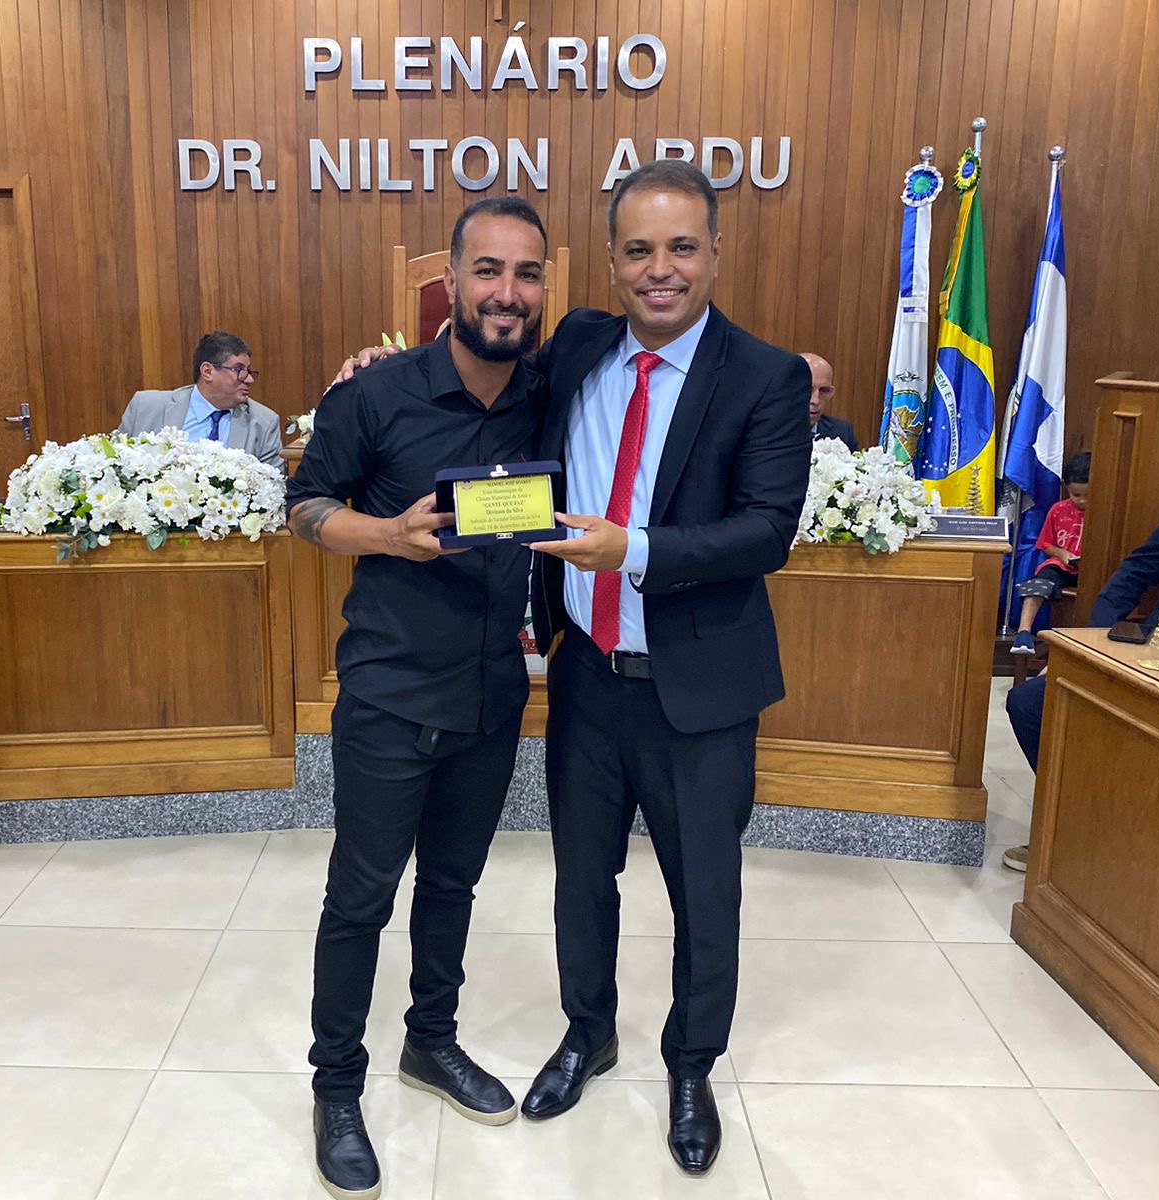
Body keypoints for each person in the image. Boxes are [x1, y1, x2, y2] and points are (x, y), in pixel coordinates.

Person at [520, 160, 811, 1176]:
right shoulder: (580, 346)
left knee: (704, 893)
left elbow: (766, 530)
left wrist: (631, 549)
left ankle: (690, 1065)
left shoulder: (765, 377)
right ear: (609, 261)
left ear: (715, 253)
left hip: (700, 692)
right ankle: (586, 1032)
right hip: (587, 678)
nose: (660, 270)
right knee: (579, 878)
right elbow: (499, 406)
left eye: (681, 247)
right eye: (638, 250)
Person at [287, 197, 549, 1200]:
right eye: (488, 270)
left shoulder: (548, 390)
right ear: (450, 281)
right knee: (360, 898)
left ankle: (430, 1042)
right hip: (391, 692)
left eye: (526, 274)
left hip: (492, 693)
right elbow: (305, 506)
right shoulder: (375, 395)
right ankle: (336, 1087)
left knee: (452, 886)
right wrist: (388, 536)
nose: (506, 292)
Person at [1002, 471, 1159, 871]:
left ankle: (1157, 854)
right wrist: (1088, 649)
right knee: (1032, 702)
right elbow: (1139, 569)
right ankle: (1075, 828)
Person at [115, 331, 285, 470]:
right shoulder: (145, 407)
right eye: (239, 370)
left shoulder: (264, 423)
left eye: (249, 371)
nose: (249, 379)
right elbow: (113, 466)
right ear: (207, 371)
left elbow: (273, 487)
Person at [1011, 452, 1092, 654]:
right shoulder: (1058, 510)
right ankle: (1023, 632)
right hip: (1064, 566)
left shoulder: (1106, 511)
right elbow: (1044, 544)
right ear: (1066, 487)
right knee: (1040, 580)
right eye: (1076, 495)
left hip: (1094, 569)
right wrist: (1062, 554)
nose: (1082, 501)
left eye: (1087, 495)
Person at [800, 352, 857, 450]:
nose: (815, 400)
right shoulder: (771, 430)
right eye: (807, 389)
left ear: (831, 393)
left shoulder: (842, 433)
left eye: (824, 391)